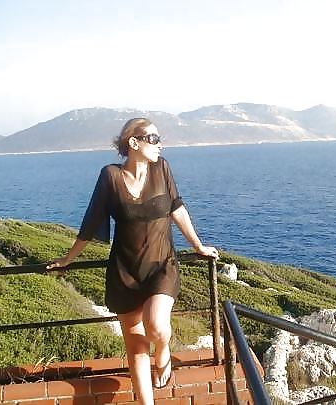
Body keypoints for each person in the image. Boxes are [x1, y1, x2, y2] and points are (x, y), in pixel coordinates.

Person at [47, 118, 218, 405]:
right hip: (124, 271)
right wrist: (67, 258)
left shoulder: (162, 168)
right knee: (137, 346)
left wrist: (198, 246)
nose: (159, 144)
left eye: (159, 138)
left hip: (161, 265)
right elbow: (91, 221)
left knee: (157, 326)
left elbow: (176, 207)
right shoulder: (110, 176)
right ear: (133, 142)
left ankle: (162, 350)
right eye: (153, 138)